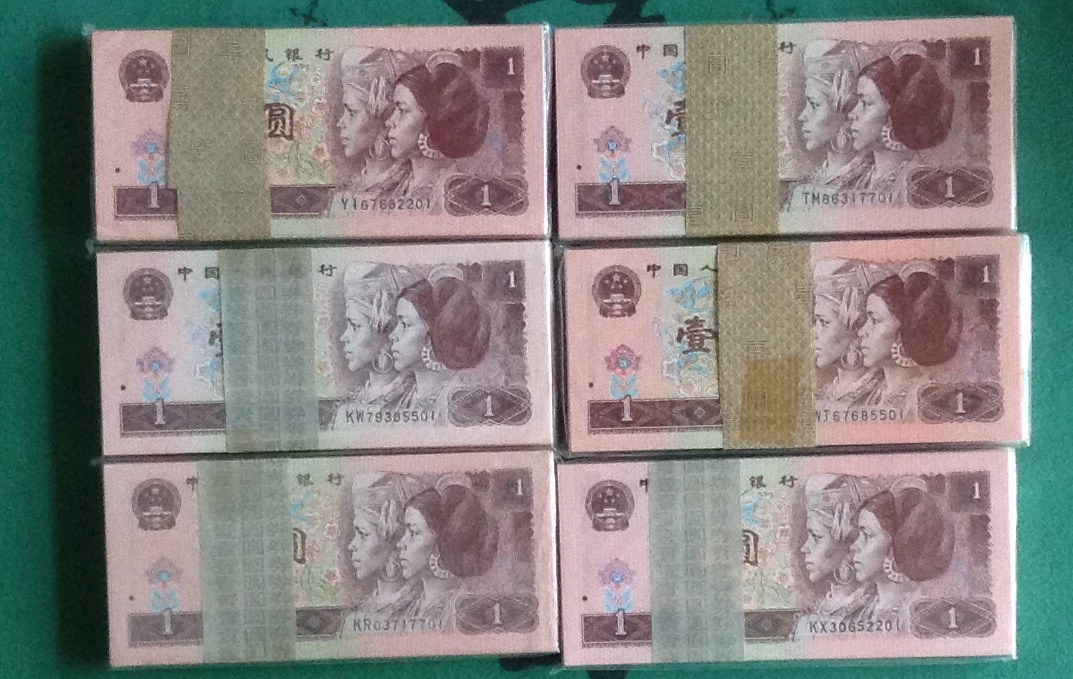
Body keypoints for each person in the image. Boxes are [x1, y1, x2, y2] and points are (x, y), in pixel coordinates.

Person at [846, 43, 955, 198]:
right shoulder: (856, 178)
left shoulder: (919, 185)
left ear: (895, 114)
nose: (852, 114)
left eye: (865, 103)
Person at [380, 52, 490, 204]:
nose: (389, 122)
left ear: (432, 121)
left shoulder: (455, 195)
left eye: (402, 111)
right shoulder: (393, 184)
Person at [856, 264, 961, 415]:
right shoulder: (868, 392)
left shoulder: (926, 398)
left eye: (875, 320)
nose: (862, 332)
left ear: (905, 329)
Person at [396, 482, 499, 629]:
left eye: (413, 533)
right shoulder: (408, 605)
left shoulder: (464, 611)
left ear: (440, 544)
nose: (400, 543)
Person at [388, 268, 492, 413]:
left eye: (405, 324)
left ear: (435, 334)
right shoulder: (396, 398)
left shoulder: (459, 402)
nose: (392, 335)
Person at [850, 479, 954, 621]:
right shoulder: (860, 609)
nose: (854, 546)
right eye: (858, 535)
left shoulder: (919, 613)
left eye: (867, 535)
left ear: (897, 544)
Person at [331, 262, 418, 428]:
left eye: (355, 325)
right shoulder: (348, 408)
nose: (344, 337)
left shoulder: (415, 401)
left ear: (386, 335)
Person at [342, 472, 426, 628]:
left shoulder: (422, 610)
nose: (351, 545)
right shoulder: (358, 614)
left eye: (363, 534)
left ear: (394, 542)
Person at [795, 40, 879, 190]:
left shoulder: (873, 182)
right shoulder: (809, 183)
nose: (802, 116)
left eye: (814, 104)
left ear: (848, 109)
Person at [336, 48, 420, 193]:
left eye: (352, 112)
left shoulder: (407, 187)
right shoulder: (354, 184)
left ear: (384, 116)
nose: (340, 123)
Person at [799, 474, 880, 622]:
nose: (804, 548)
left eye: (816, 536)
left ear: (849, 540)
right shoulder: (824, 604)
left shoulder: (872, 610)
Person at [813, 260, 889, 405]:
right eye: (815, 322)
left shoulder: (884, 396)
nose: (814, 333)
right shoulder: (823, 395)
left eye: (824, 322)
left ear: (856, 328)